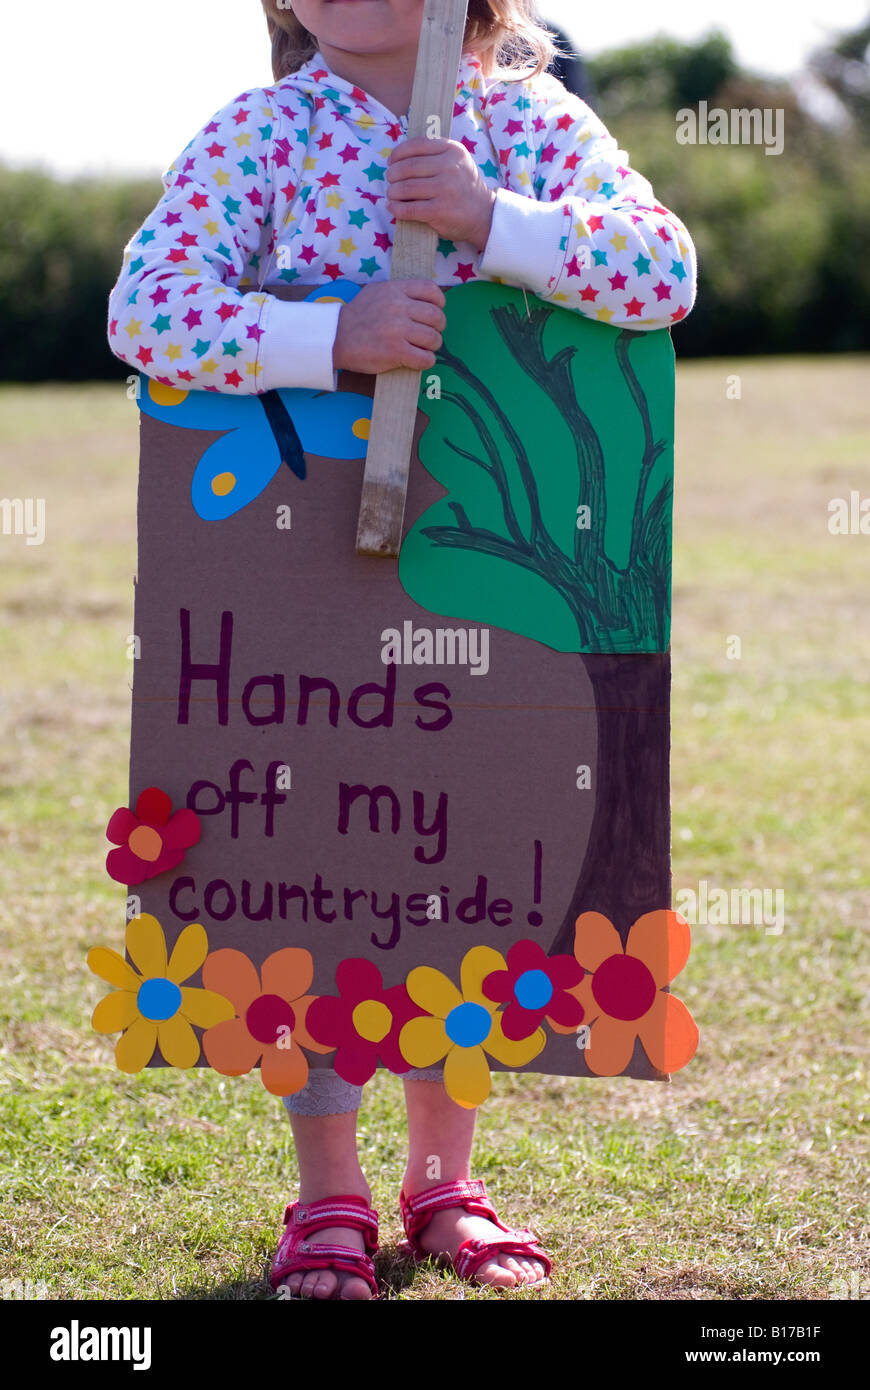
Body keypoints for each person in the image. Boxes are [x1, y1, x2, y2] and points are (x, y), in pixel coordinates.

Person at [107, 0, 697, 1300]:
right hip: (298, 585)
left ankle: (445, 1180)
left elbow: (664, 274)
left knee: (458, 858)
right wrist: (328, 335)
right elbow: (146, 313)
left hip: (491, 570)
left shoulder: (533, 126)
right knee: (316, 865)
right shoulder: (259, 139)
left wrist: (498, 223)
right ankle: (327, 1193)